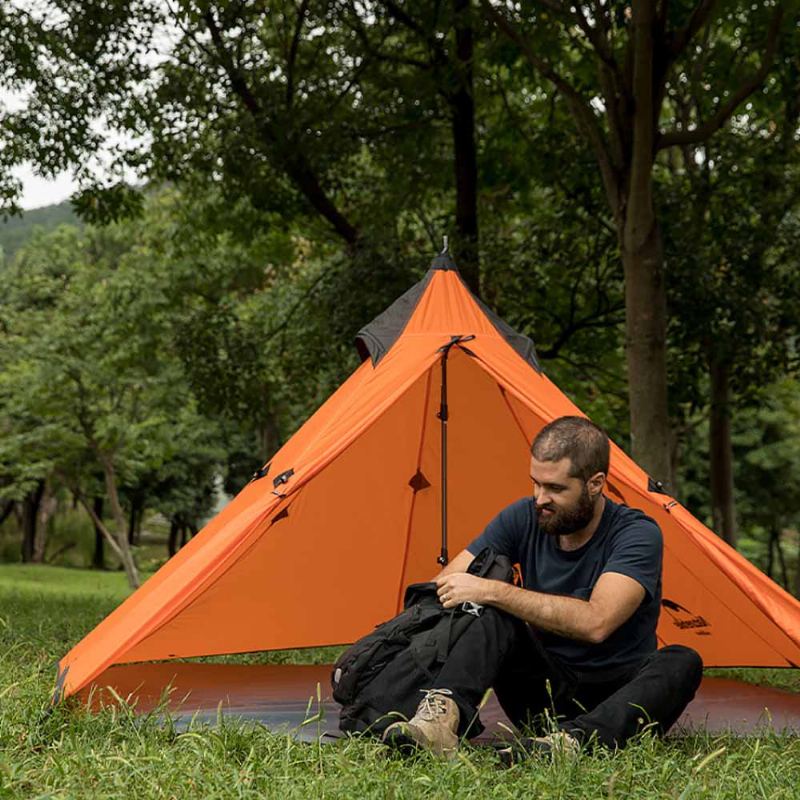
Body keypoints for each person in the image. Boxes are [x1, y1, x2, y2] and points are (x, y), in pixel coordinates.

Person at [382, 416, 703, 759]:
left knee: (683, 661)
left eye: (555, 489)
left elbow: (597, 623)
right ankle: (437, 725)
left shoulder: (637, 534)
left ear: (595, 484)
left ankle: (572, 743)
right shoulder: (523, 517)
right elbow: (445, 586)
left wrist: (492, 590)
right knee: (489, 612)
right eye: (536, 483)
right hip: (543, 693)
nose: (540, 498)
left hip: (619, 695)